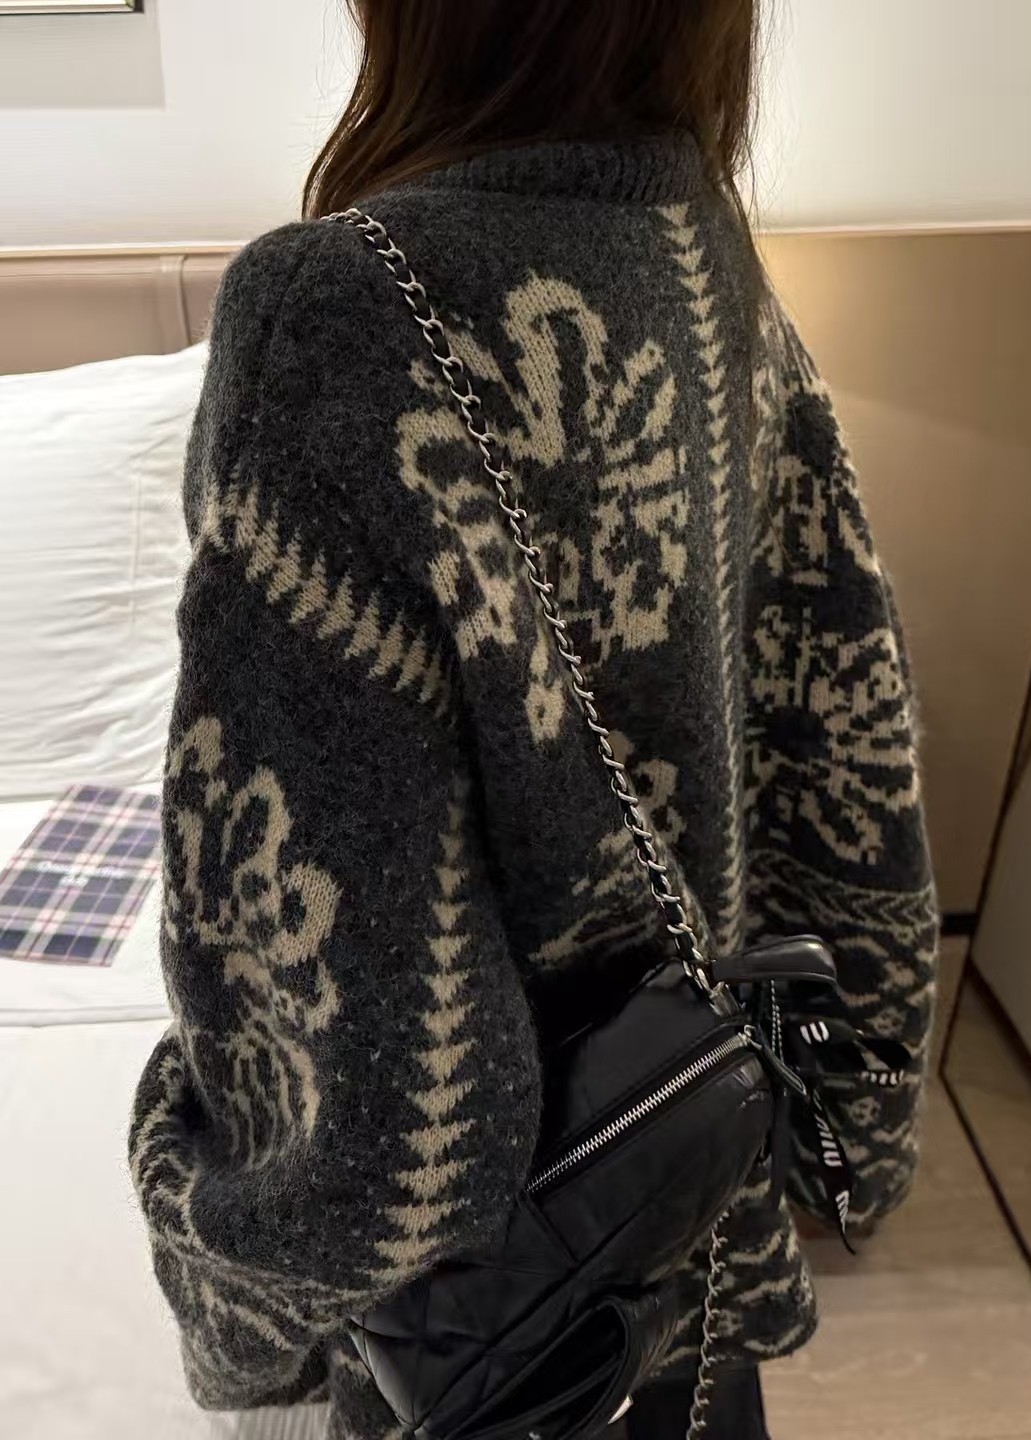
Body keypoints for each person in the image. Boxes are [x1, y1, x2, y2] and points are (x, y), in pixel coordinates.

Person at [129, 3, 938, 1437]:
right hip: (683, 1238)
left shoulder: (333, 317)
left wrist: (214, 1278)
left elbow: (352, 1090)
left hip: (497, 1344)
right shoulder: (711, 264)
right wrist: (849, 1128)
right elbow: (849, 760)